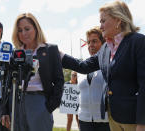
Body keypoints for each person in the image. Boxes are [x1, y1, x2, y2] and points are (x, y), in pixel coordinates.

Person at [61, 1, 145, 131]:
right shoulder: (106, 48)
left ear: (118, 20)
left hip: (133, 120)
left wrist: (142, 122)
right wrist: (59, 55)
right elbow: (83, 66)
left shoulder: (139, 42)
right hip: (113, 118)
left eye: (103, 21)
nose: (100, 27)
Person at [1, 13, 64, 131]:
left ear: (36, 28)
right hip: (16, 102)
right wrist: (5, 110)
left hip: (40, 102)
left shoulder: (50, 49)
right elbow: (6, 83)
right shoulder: (15, 53)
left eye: (27, 29)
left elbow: (59, 80)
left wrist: (50, 106)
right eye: (19, 30)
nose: (23, 33)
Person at [78, 26, 110, 131]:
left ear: (103, 42)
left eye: (94, 41)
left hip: (105, 120)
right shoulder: (82, 66)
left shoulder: (108, 63)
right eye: (89, 42)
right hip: (84, 120)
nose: (91, 45)